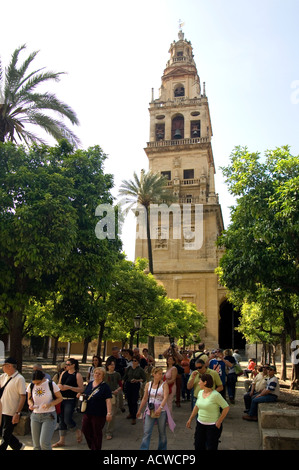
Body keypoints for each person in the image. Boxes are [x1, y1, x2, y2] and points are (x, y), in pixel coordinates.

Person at [186, 373, 230, 451]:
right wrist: (190, 419)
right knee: (198, 445)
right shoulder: (200, 393)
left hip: (212, 426)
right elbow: (196, 407)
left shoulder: (215, 395)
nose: (199, 383)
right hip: (200, 424)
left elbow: (226, 407)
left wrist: (219, 421)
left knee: (211, 447)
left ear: (205, 382)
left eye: (200, 381)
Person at [137, 366, 175, 450]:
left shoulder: (164, 385)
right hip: (150, 409)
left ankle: (162, 448)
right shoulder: (148, 384)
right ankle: (144, 448)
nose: (161, 375)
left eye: (162, 374)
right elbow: (144, 398)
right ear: (153, 374)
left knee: (162, 432)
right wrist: (139, 410)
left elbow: (165, 397)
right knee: (147, 432)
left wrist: (160, 408)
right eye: (159, 374)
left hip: (161, 410)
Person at [27, 369, 63, 450]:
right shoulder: (31, 385)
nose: (36, 384)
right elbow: (29, 399)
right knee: (36, 445)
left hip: (49, 415)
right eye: (34, 383)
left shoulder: (51, 384)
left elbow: (60, 398)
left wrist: (50, 404)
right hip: (35, 415)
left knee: (44, 442)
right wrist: (31, 404)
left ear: (43, 379)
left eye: (38, 382)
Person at [53, 357, 84, 447]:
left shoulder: (77, 375)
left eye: (68, 364)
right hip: (61, 398)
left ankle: (76, 430)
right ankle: (61, 440)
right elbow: (59, 383)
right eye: (66, 364)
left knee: (67, 419)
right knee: (61, 419)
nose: (66, 366)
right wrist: (60, 386)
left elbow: (81, 389)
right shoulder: (63, 373)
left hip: (70, 399)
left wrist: (69, 387)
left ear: (73, 365)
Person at [79, 367, 112, 450]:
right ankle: (92, 447)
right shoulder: (90, 384)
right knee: (85, 429)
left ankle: (96, 448)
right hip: (88, 411)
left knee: (96, 432)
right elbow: (86, 394)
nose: (96, 375)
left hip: (99, 413)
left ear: (103, 376)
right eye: (95, 373)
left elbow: (108, 401)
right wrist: (81, 396)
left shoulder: (105, 387)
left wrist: (109, 413)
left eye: (99, 373)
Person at [0, 356, 27, 451]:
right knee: (3, 432)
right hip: (1, 410)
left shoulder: (19, 379)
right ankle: (18, 446)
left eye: (4, 366)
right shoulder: (3, 377)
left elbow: (23, 396)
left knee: (5, 435)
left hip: (11, 411)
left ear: (10, 366)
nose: (2, 367)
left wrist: (17, 413)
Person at [122, 355, 146, 425]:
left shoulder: (140, 369)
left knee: (134, 401)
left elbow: (144, 379)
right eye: (133, 360)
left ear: (138, 362)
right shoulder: (129, 368)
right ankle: (130, 412)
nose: (133, 362)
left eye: (135, 361)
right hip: (128, 384)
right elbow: (125, 376)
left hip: (135, 385)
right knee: (128, 400)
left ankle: (134, 416)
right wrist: (122, 382)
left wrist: (137, 380)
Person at [104, 358, 122, 440]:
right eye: (111, 365)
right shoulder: (104, 374)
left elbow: (121, 385)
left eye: (113, 365)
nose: (112, 366)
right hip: (104, 395)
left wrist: (117, 390)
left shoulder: (117, 374)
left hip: (113, 395)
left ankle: (109, 431)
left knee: (112, 413)